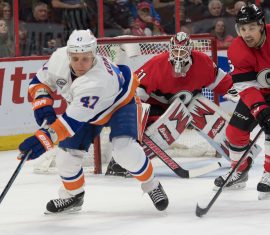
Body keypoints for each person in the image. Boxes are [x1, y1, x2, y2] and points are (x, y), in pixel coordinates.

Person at [18, 29, 169, 213]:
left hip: (120, 104)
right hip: (83, 109)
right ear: (68, 54)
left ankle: (152, 185)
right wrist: (42, 105)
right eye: (75, 58)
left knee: (124, 151)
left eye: (85, 58)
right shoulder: (58, 57)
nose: (79, 64)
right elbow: (38, 82)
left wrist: (43, 140)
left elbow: (69, 124)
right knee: (65, 157)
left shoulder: (97, 81)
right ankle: (73, 196)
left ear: (94, 54)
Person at [105, 31, 233, 176]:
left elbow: (222, 82)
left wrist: (239, 94)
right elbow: (136, 91)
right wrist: (134, 119)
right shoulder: (157, 64)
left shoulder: (203, 62)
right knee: (169, 122)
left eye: (182, 51)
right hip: (157, 108)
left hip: (185, 106)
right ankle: (121, 162)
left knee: (199, 108)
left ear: (190, 51)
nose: (178, 55)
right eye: (176, 50)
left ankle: (237, 151)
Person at [213, 4, 270, 199]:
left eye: (251, 28)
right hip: (256, 92)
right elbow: (246, 86)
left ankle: (269, 172)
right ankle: (240, 170)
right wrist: (260, 110)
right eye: (242, 29)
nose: (246, 33)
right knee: (234, 133)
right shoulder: (237, 49)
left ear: (262, 25)